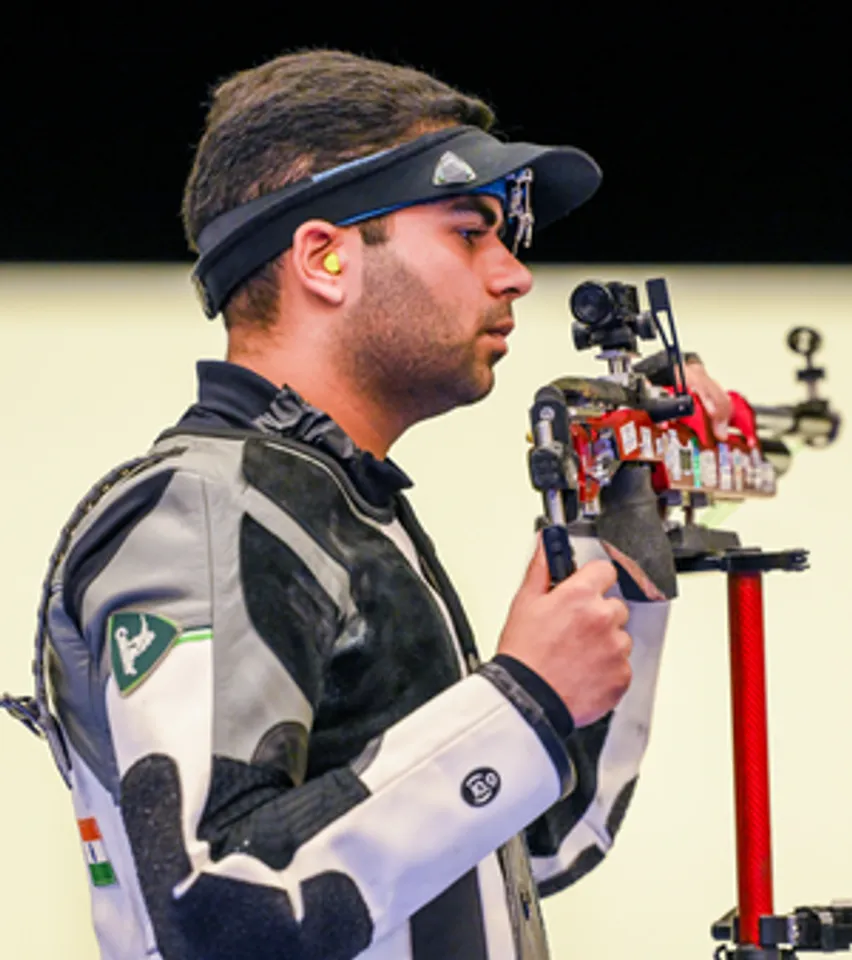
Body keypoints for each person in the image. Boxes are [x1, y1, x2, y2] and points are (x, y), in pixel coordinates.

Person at [29, 50, 729, 959]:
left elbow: (531, 844)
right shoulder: (207, 507)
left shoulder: (332, 504)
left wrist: (615, 510)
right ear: (324, 257)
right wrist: (521, 701)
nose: (515, 274)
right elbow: (218, 909)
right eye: (470, 231)